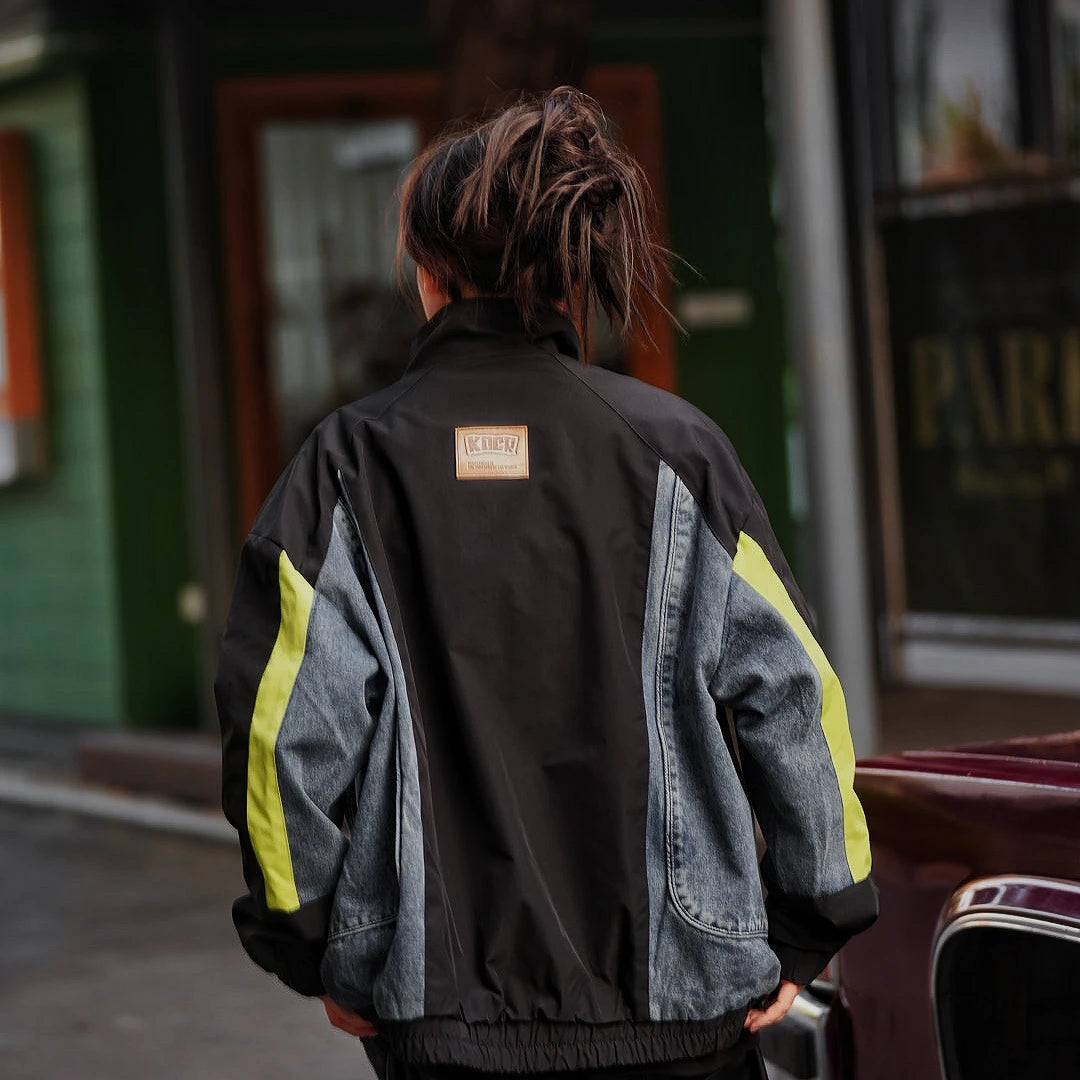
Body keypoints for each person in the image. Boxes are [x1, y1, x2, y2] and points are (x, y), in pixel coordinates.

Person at [215, 86, 879, 1080]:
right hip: (685, 1009)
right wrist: (813, 921)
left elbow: (281, 739)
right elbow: (796, 699)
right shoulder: (678, 452)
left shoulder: (348, 466)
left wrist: (310, 945)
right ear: (567, 275)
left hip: (439, 1017)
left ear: (427, 269)